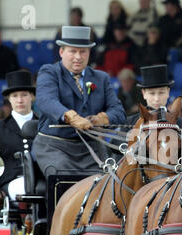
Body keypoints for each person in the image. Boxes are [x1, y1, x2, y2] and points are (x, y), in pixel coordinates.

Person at [32, 26, 126, 179]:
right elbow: (46, 100)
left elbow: (118, 111)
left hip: (91, 148)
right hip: (54, 147)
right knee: (63, 178)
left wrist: (101, 119)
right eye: (73, 51)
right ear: (61, 52)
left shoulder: (101, 78)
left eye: (83, 51)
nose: (78, 57)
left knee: (109, 182)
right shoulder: (49, 72)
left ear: (89, 53)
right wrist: (71, 117)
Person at [0, 70, 38, 206]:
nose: (20, 100)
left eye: (24, 95)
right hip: (10, 182)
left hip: (40, 179)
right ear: (9, 99)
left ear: (32, 96)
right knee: (26, 190)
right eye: (15, 96)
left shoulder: (43, 125)